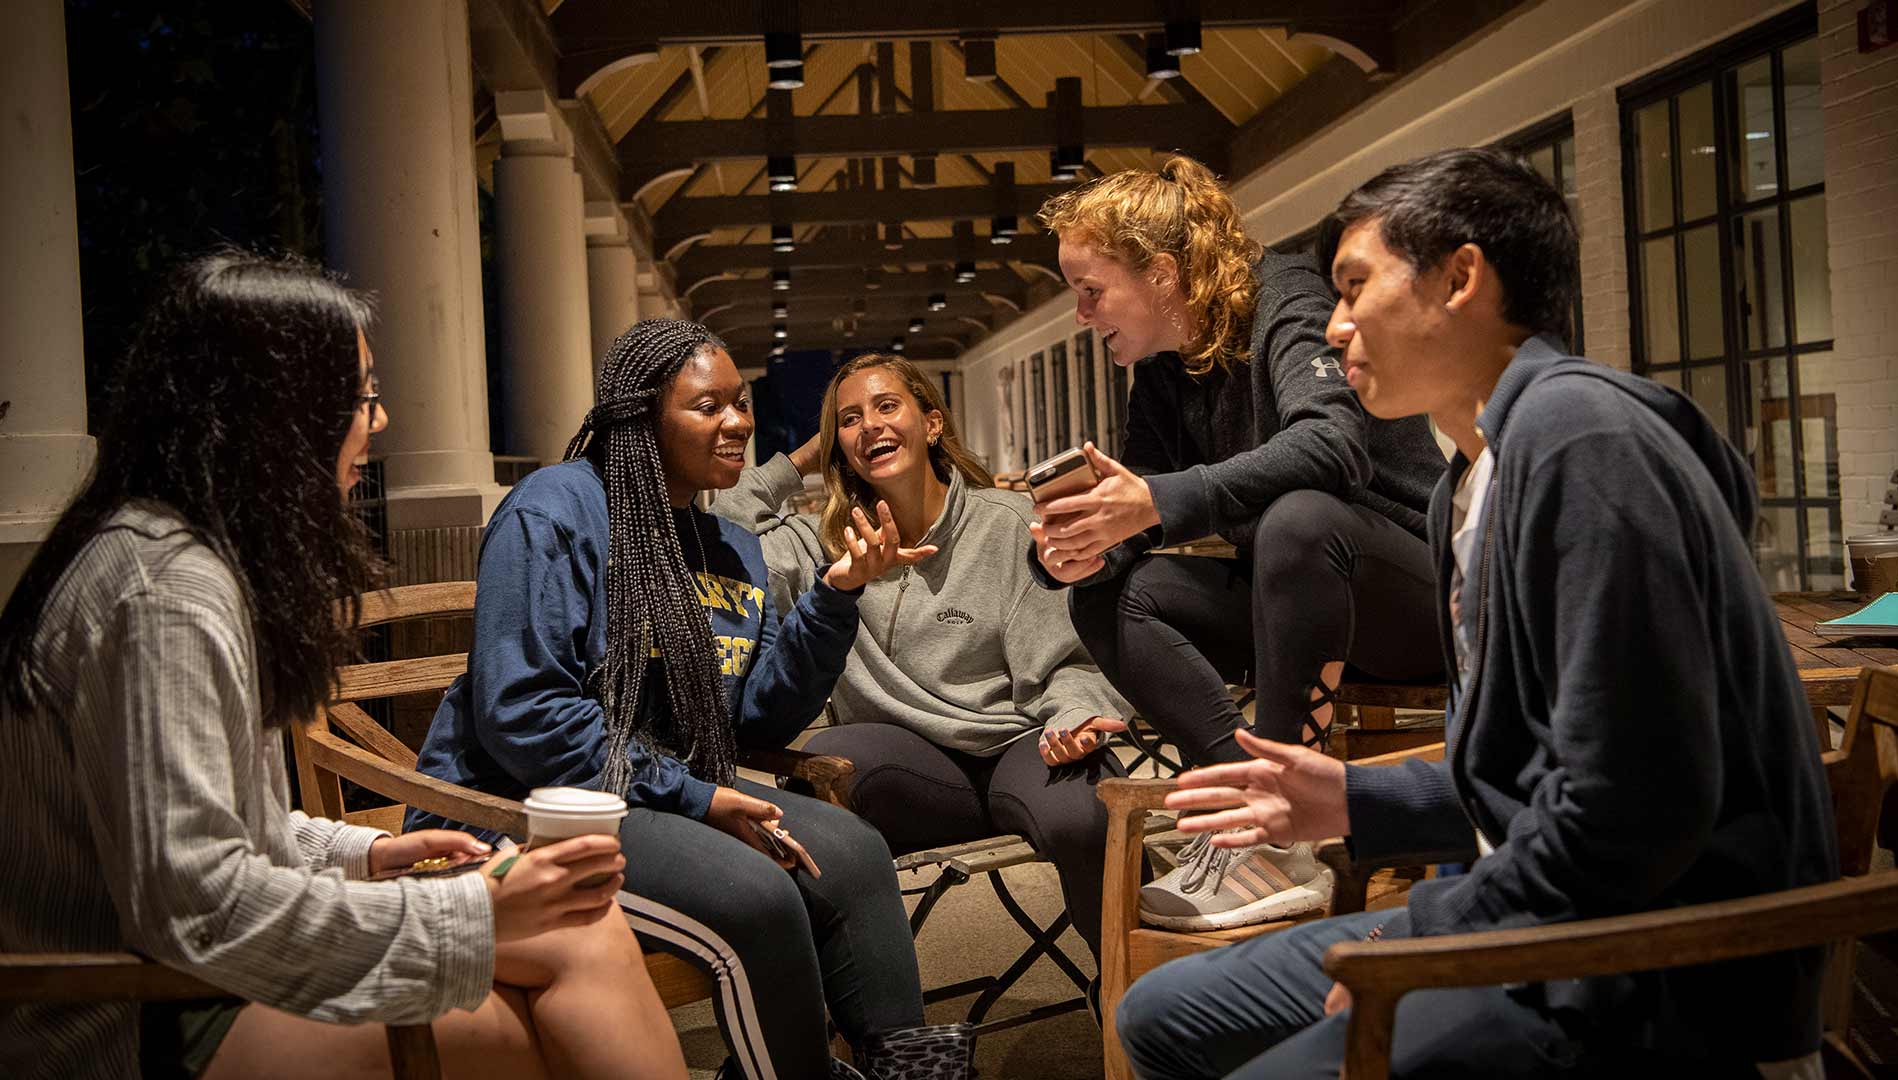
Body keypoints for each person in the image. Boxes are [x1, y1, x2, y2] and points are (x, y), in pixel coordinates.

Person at [1117, 148, 1839, 1078]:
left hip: (1645, 974)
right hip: (1535, 916)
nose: (1333, 326)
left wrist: (1433, 935)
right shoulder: (1464, 484)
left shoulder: (1582, 441)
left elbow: (1635, 811)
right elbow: (1526, 779)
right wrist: (1355, 799)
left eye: (1355, 286)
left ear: (1461, 278)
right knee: (1159, 1014)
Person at [0, 253, 686, 1080]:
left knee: (583, 928)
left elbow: (205, 822)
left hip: (196, 973)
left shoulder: (167, 549)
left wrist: (362, 853)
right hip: (134, 1018)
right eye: (362, 397)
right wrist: (477, 910)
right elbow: (197, 904)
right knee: (546, 1021)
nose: (383, 419)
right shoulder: (168, 591)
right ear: (275, 414)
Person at [409, 320, 967, 1080]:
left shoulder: (729, 547)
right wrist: (697, 797)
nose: (738, 422)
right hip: (528, 806)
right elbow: (525, 713)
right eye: (709, 407)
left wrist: (835, 599)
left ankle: (909, 1073)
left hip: (661, 792)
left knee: (858, 854)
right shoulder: (557, 510)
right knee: (758, 892)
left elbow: (757, 718)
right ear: (643, 418)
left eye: (742, 403)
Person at [1027, 154, 1448, 932]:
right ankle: (1252, 810)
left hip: (1411, 598)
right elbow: (1145, 501)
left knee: (1299, 519)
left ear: (1160, 275)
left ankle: (1277, 835)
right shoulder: (1163, 371)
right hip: (1299, 610)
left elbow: (1332, 446)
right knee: (1112, 591)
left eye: (1090, 291)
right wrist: (1083, 545)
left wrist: (1153, 500)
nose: (1081, 315)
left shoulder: (1286, 300)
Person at [712, 352, 1132, 970]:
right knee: (824, 772)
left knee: (1091, 816)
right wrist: (800, 460)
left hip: (1021, 742)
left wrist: (1074, 717)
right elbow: (719, 528)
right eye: (849, 420)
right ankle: (867, 1011)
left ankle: (1138, 990)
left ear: (932, 422)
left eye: (887, 407)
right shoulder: (820, 543)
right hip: (912, 770)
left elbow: (1069, 653)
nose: (870, 425)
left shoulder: (1007, 522)